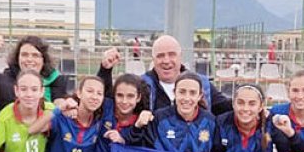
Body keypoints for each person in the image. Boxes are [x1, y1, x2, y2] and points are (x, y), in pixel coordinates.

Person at [97, 35, 232, 115]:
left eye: (171, 55)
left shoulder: (202, 84)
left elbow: (227, 108)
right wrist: (105, 70)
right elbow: (109, 102)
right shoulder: (142, 85)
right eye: (160, 56)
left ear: (180, 57)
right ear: (153, 59)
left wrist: (244, 95)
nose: (166, 61)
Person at [212, 84, 304, 152]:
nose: (245, 108)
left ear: (261, 106)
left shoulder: (272, 125)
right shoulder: (221, 123)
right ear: (233, 104)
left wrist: (290, 133)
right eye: (240, 103)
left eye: (252, 104)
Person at [0, 34, 69, 112]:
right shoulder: (2, 81)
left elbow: (59, 103)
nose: (29, 59)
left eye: (35, 55)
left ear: (43, 60)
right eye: (24, 55)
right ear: (17, 58)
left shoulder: (55, 81)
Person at [139, 72, 217, 152]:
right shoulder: (158, 119)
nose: (187, 98)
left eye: (192, 93)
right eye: (182, 92)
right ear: (174, 93)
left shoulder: (211, 122)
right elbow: (141, 150)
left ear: (200, 96)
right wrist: (138, 127)